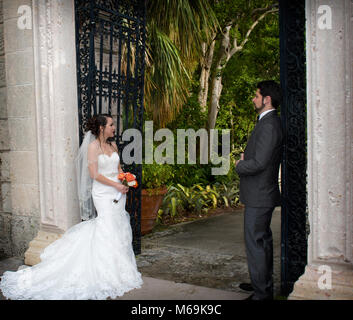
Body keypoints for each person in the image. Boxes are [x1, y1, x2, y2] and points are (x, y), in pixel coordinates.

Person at [0, 114, 143, 300]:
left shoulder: (113, 145)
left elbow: (119, 169)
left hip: (117, 192)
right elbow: (94, 174)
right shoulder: (93, 148)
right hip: (103, 193)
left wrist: (125, 180)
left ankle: (119, 267)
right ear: (101, 127)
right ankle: (103, 270)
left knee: (117, 225)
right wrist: (115, 184)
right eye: (111, 124)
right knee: (106, 225)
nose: (114, 127)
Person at [235, 80, 283, 300]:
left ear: (267, 99)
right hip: (260, 193)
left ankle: (262, 294)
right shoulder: (267, 122)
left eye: (256, 95)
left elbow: (260, 163)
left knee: (256, 243)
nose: (253, 99)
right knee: (261, 243)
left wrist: (240, 165)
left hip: (260, 194)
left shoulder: (270, 124)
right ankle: (261, 285)